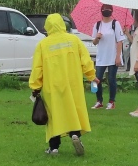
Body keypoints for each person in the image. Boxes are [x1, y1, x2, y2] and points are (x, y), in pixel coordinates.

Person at [29, 13, 96, 156]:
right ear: (62, 24)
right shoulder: (74, 40)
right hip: (73, 84)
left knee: (54, 116)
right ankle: (75, 134)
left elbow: (37, 68)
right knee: (72, 111)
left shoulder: (43, 44)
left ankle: (53, 148)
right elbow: (86, 60)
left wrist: (35, 87)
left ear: (47, 26)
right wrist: (92, 76)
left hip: (52, 86)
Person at [91, 4, 126, 110]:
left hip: (112, 56)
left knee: (111, 80)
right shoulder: (97, 25)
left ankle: (111, 101)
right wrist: (97, 38)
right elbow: (94, 42)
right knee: (97, 79)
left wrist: (118, 56)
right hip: (101, 57)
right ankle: (99, 101)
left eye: (108, 9)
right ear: (101, 11)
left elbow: (120, 41)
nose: (106, 11)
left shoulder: (115, 24)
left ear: (111, 11)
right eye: (104, 9)